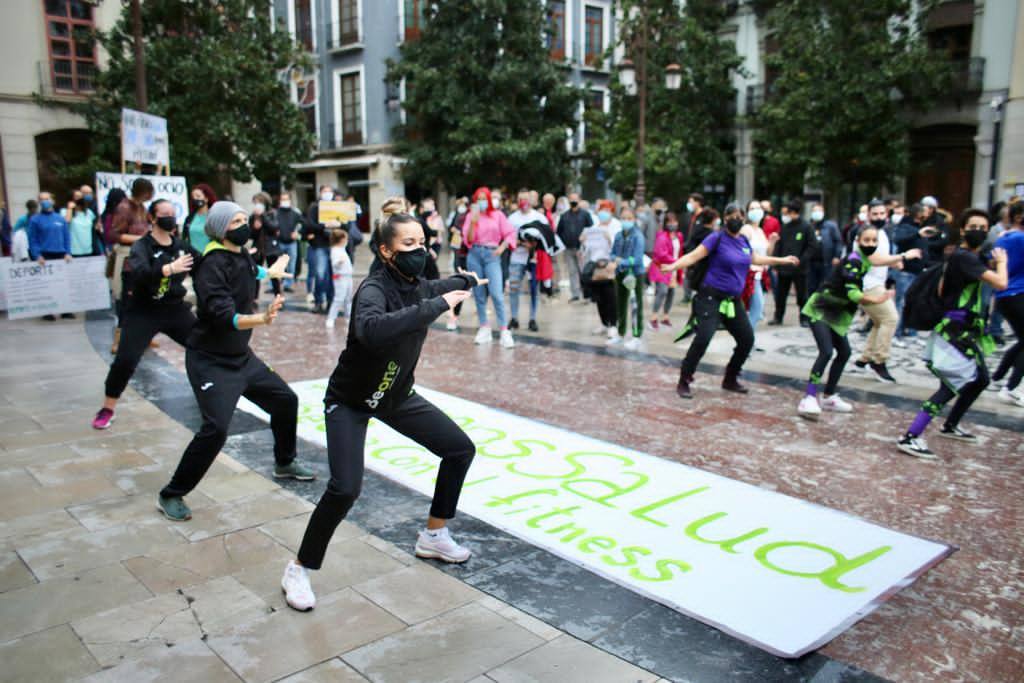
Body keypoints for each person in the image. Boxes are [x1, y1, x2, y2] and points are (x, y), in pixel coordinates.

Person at [281, 211, 484, 611]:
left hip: (395, 396)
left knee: (460, 449)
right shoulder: (372, 289)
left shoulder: (419, 284)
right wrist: (438, 305)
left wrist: (468, 280)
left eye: (423, 243)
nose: (419, 251)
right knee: (345, 488)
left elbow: (441, 284)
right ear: (386, 251)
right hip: (350, 401)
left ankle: (433, 535)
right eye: (408, 245)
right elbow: (370, 330)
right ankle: (299, 568)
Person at [157, 201, 312, 522]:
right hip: (210, 360)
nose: (244, 224)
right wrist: (262, 319)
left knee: (285, 400)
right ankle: (172, 493)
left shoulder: (238, 253)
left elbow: (247, 269)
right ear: (219, 227)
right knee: (215, 430)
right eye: (236, 221)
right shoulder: (211, 264)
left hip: (241, 357)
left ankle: (284, 462)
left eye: (245, 218)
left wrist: (270, 272)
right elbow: (223, 315)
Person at [897, 210, 1008, 459]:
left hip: (964, 332)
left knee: (980, 379)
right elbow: (1001, 283)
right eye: (973, 226)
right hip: (953, 332)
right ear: (962, 229)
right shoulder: (964, 258)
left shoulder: (970, 258)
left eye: (983, 226)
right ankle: (910, 436)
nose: (978, 230)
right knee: (950, 384)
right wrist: (1002, 262)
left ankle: (950, 424)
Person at [662, 211, 800, 399]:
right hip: (710, 298)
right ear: (725, 219)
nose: (736, 220)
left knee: (747, 340)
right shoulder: (716, 238)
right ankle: (684, 380)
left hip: (733, 301)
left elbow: (755, 259)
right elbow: (694, 256)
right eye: (732, 216)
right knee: (703, 338)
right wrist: (673, 266)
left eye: (739, 217)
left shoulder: (743, 240)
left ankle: (730, 378)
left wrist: (781, 260)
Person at [92, 200, 199, 430]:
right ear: (152, 217)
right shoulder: (142, 246)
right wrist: (168, 269)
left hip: (174, 309)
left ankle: (209, 393)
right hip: (143, 311)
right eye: (164, 214)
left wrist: (240, 259)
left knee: (204, 345)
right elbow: (140, 273)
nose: (169, 217)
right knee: (126, 360)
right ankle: (107, 407)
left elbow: (205, 263)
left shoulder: (180, 246)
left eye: (173, 213)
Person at [797, 225, 896, 420]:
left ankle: (828, 396)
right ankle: (809, 397)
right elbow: (853, 293)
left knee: (844, 352)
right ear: (857, 241)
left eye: (874, 240)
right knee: (826, 351)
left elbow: (880, 260)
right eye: (866, 240)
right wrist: (876, 300)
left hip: (838, 312)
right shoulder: (853, 261)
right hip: (822, 307)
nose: (871, 244)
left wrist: (902, 258)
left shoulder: (865, 259)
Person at [851, 200, 923, 382]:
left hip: (877, 283)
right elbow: (874, 259)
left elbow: (883, 257)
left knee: (878, 321)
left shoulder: (882, 233)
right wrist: (904, 256)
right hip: (867, 285)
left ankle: (864, 359)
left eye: (882, 213)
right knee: (890, 319)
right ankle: (878, 361)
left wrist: (895, 262)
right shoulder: (865, 234)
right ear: (868, 215)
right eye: (875, 214)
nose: (879, 217)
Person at [463, 186, 516, 348]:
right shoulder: (471, 216)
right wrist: (473, 221)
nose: (481, 202)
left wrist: (502, 247)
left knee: (496, 293)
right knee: (479, 294)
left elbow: (510, 233)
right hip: (474, 254)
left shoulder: (497, 215)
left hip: (492, 255)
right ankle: (484, 328)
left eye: (484, 198)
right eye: (478, 199)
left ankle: (504, 330)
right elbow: (469, 240)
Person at [110, 179, 156, 345]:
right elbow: (115, 235)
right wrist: (141, 239)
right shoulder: (124, 208)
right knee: (127, 301)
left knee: (146, 300)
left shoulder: (142, 208)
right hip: (129, 261)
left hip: (144, 259)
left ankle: (144, 335)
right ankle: (119, 339)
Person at [992, 200, 1024, 406]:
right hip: (1016, 294)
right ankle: (1010, 387)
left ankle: (999, 375)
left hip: (1006, 296)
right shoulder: (1018, 238)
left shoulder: (1005, 237)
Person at [769, 200, 815, 327]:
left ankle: (804, 318)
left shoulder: (806, 227)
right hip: (784, 268)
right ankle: (778, 317)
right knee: (780, 295)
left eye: (787, 213)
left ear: (793, 212)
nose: (785, 216)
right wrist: (776, 263)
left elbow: (811, 246)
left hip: (800, 269)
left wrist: (801, 260)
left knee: (802, 295)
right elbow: (779, 246)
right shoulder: (785, 227)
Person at [28, 191, 73, 321]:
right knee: (47, 286)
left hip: (61, 254)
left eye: (47, 198)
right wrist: (37, 255)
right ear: (39, 202)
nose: (45, 201)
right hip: (45, 256)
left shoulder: (60, 218)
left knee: (64, 284)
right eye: (42, 199)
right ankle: (48, 311)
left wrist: (68, 252)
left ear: (52, 200)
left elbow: (66, 237)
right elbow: (33, 239)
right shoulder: (35, 219)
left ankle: (66, 310)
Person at [892, 203, 932, 344]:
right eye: (925, 212)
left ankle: (911, 331)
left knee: (913, 302)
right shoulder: (905, 226)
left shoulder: (920, 227)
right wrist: (917, 234)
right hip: (906, 271)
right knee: (901, 302)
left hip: (918, 270)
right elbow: (898, 240)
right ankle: (896, 333)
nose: (927, 215)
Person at [508, 190, 547, 331]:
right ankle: (514, 318)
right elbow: (507, 238)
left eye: (525, 199)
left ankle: (532, 318)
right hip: (516, 258)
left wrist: (535, 244)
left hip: (534, 259)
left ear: (531, 201)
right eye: (520, 199)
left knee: (534, 290)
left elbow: (547, 237)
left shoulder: (539, 218)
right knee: (514, 289)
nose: (523, 202)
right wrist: (521, 243)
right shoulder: (512, 219)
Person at [581, 201, 619, 342]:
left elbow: (617, 247)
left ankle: (613, 324)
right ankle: (604, 323)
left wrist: (609, 240)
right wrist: (583, 241)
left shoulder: (616, 226)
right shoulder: (594, 228)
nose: (603, 213)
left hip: (609, 265)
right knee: (599, 297)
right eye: (601, 210)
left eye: (607, 210)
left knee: (610, 297)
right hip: (595, 265)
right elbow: (587, 250)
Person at [611, 205, 646, 349]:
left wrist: (621, 261)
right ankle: (620, 334)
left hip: (635, 274)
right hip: (620, 273)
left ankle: (637, 336)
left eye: (629, 218)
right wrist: (614, 260)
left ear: (634, 219)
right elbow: (612, 253)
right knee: (620, 304)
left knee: (635, 305)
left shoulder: (638, 236)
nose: (626, 221)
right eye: (624, 218)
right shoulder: (618, 235)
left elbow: (638, 259)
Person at [304, 185, 340, 314]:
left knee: (333, 276)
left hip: (334, 245)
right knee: (320, 274)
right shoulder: (314, 207)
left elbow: (346, 224)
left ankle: (331, 301)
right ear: (320, 193)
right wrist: (324, 226)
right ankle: (319, 301)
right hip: (320, 245)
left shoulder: (337, 207)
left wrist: (338, 224)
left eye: (329, 191)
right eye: (325, 191)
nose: (327, 193)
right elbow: (309, 225)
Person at [648, 211, 684, 331]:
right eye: (669, 222)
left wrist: (679, 264)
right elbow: (660, 254)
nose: (672, 224)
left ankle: (665, 317)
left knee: (671, 292)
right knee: (662, 291)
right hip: (662, 268)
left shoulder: (679, 236)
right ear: (665, 223)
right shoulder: (662, 236)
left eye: (674, 221)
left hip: (674, 268)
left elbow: (680, 251)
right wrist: (676, 261)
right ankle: (653, 317)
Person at [742, 201, 772, 336]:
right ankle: (746, 341)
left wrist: (772, 241)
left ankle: (748, 340)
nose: (756, 211)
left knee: (757, 310)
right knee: (756, 309)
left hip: (761, 275)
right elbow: (744, 251)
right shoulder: (746, 229)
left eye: (758, 208)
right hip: (750, 275)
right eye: (752, 208)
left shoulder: (760, 231)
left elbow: (767, 253)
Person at [556, 191, 592, 303]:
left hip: (582, 249)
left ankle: (587, 294)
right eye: (571, 199)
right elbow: (559, 231)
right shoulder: (564, 216)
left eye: (575, 199)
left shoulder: (585, 215)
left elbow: (590, 230)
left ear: (579, 200)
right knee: (572, 272)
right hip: (569, 249)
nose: (573, 202)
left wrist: (584, 242)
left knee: (584, 271)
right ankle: (575, 294)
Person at [806, 203, 842, 300]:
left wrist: (837, 256)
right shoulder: (808, 226)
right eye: (814, 211)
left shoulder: (831, 226)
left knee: (825, 286)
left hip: (826, 262)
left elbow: (838, 241)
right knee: (811, 287)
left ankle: (823, 309)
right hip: (811, 263)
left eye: (819, 210)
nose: (817, 213)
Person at [273, 191, 306, 292]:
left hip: (292, 243)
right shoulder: (275, 213)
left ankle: (288, 284)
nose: (285, 201)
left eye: (286, 199)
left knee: (291, 265)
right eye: (283, 199)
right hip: (279, 242)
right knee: (277, 264)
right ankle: (275, 285)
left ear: (290, 201)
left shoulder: (295, 213)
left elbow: (305, 224)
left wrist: (298, 233)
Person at [445, 196, 470, 330]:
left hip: (474, 255)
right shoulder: (458, 215)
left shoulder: (473, 216)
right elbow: (452, 230)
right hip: (460, 253)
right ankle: (454, 315)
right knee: (461, 284)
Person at [325, 228, 352, 329]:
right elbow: (334, 263)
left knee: (348, 298)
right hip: (340, 277)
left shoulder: (341, 249)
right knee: (339, 298)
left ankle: (348, 316)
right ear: (341, 240)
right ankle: (331, 318)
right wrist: (340, 261)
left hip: (347, 276)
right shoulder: (335, 250)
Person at [183, 184, 217, 253]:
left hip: (210, 257)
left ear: (206, 199)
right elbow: (184, 237)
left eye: (198, 196)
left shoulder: (214, 217)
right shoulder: (189, 218)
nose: (195, 199)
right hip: (193, 258)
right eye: (193, 197)